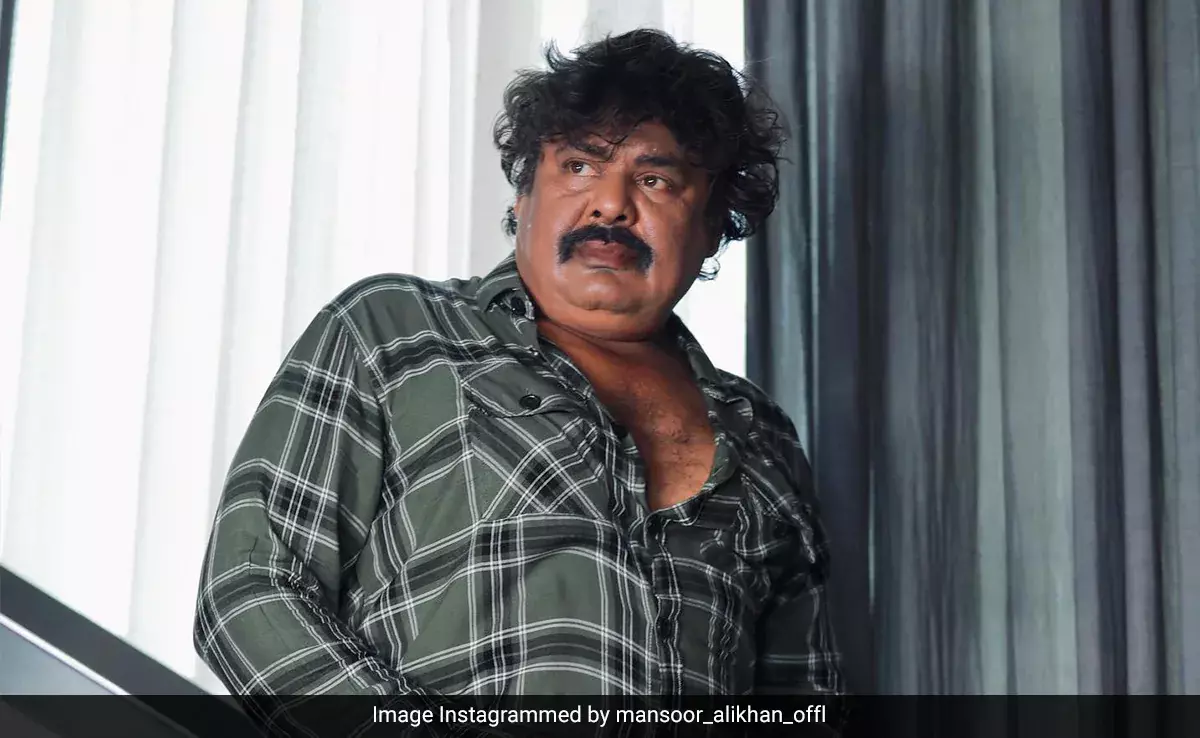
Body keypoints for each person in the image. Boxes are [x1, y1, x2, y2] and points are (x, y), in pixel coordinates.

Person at [194, 29, 842, 711]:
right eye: (580, 166)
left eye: (655, 180)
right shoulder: (395, 333)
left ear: (711, 225)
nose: (611, 204)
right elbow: (250, 589)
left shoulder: (764, 435)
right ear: (523, 195)